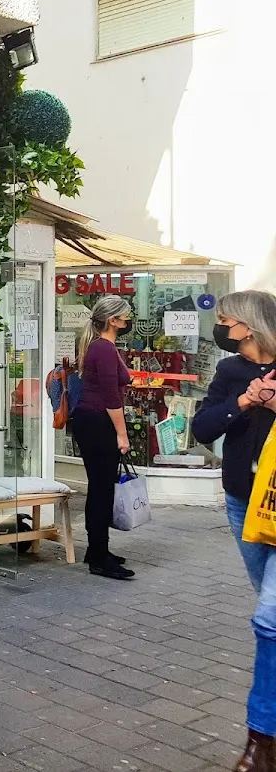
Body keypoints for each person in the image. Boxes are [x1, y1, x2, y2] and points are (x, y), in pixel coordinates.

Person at [191, 290, 276, 772]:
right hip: (242, 503)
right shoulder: (230, 371)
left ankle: (260, 744)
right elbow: (203, 429)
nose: (220, 326)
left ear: (250, 323)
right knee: (273, 615)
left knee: (270, 619)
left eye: (226, 318)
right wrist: (244, 400)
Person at [69, 295, 135, 580]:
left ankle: (96, 549)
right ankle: (99, 555)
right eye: (126, 316)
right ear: (113, 320)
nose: (128, 320)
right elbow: (110, 397)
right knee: (102, 489)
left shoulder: (97, 345)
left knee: (99, 486)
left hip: (91, 420)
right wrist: (122, 434)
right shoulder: (104, 348)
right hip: (99, 421)